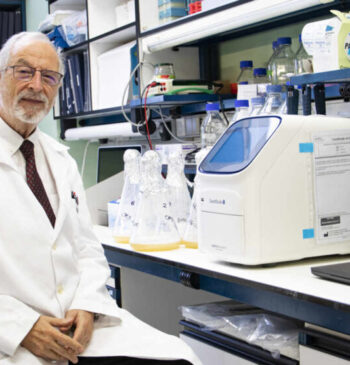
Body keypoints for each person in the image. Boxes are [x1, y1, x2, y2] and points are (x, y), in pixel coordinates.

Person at [0, 31, 201, 365]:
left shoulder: (59, 159)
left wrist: (86, 305)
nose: (37, 85)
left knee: (183, 357)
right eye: (24, 71)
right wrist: (20, 327)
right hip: (12, 338)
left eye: (49, 76)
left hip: (76, 327)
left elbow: (86, 249)